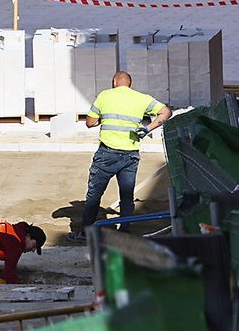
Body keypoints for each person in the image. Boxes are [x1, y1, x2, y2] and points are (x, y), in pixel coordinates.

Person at [73, 71, 171, 239]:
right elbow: (166, 112)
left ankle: (85, 232)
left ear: (114, 81)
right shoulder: (142, 98)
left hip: (107, 154)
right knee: (127, 196)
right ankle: (125, 232)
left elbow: (89, 122)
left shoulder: (105, 96)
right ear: (130, 84)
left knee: (94, 194)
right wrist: (148, 128)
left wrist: (102, 120)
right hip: (130, 155)